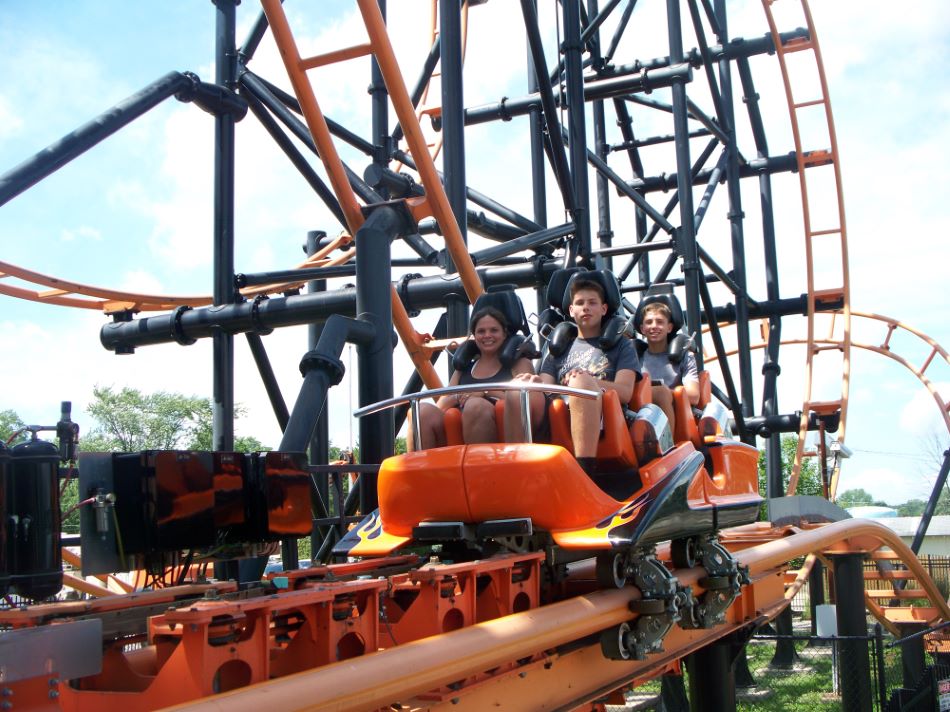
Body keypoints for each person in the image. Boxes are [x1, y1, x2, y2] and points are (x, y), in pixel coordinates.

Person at [506, 277, 639, 474]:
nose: (586, 308)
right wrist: (531, 382)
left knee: (580, 382)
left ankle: (585, 470)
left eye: (592, 303)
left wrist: (588, 381)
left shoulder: (623, 345)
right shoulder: (557, 350)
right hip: (559, 414)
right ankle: (517, 469)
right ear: (571, 311)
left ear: (603, 309)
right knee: (518, 390)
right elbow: (546, 387)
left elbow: (626, 391)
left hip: (604, 417)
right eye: (580, 303)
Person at [409, 306, 535, 450]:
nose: (487, 335)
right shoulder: (463, 370)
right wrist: (459, 397)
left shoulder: (519, 364)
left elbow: (528, 404)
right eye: (481, 331)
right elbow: (441, 405)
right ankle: (420, 468)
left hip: (506, 437)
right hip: (459, 433)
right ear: (474, 336)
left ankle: (481, 469)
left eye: (494, 330)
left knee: (475, 406)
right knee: (420, 412)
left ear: (504, 334)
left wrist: (485, 393)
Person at [637, 301, 699, 428]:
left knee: (661, 393)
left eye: (660, 322)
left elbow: (693, 396)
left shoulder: (685, 357)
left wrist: (663, 393)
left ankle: (666, 442)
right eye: (649, 322)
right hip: (640, 413)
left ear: (669, 327)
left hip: (677, 417)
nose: (654, 326)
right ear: (642, 328)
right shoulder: (635, 357)